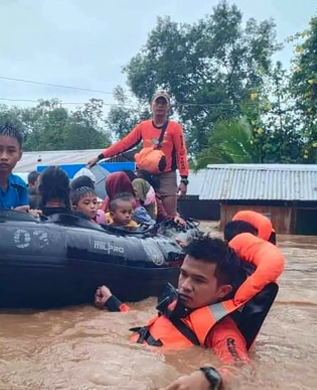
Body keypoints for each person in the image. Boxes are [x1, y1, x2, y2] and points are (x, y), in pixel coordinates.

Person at [95, 232, 284, 390]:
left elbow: (242, 370)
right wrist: (113, 303)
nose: (185, 286)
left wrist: (210, 377)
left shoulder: (222, 332)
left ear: (223, 291)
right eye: (184, 274)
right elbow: (149, 327)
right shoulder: (178, 307)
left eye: (198, 280)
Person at [88, 90, 190, 218]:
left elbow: (181, 153)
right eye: (157, 102)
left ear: (168, 107)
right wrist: (100, 157)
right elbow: (124, 144)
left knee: (170, 215)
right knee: (132, 197)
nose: (160, 106)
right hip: (145, 175)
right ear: (151, 105)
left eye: (163, 103)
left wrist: (184, 180)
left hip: (166, 176)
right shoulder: (143, 126)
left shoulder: (174, 127)